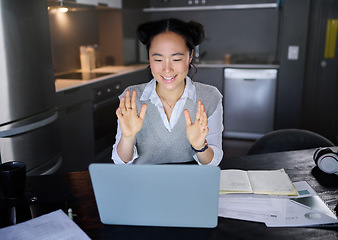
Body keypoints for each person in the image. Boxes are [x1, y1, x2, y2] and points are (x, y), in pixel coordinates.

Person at [112, 18, 223, 165]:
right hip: (144, 182)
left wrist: (200, 147)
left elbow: (213, 161)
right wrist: (128, 136)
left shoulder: (209, 97)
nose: (167, 69)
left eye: (176, 59)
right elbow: (121, 161)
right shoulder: (132, 97)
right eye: (158, 60)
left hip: (190, 182)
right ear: (149, 59)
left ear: (190, 56)